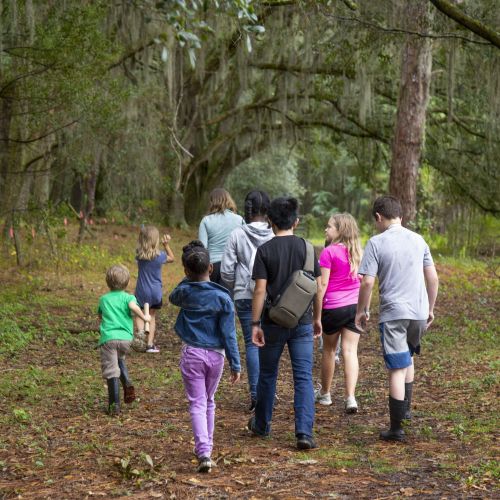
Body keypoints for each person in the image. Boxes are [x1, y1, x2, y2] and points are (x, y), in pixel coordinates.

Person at [355, 196, 439, 442]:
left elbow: (368, 281)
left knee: (396, 368)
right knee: (408, 356)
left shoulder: (376, 242)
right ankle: (406, 411)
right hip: (419, 312)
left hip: (394, 313)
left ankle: (396, 428)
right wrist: (430, 308)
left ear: (379, 217)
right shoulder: (419, 239)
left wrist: (362, 310)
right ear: (400, 216)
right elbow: (432, 278)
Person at [247, 197, 322, 450]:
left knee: (268, 374)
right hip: (301, 322)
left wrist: (255, 324)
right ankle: (304, 433)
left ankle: (262, 425)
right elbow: (317, 289)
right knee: (303, 377)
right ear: (296, 221)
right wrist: (317, 318)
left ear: (270, 222)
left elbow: (259, 290)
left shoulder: (265, 251)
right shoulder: (308, 249)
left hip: (272, 321)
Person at [169, 240, 241, 473]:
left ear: (186, 271)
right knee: (209, 400)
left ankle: (204, 452)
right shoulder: (224, 298)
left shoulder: (185, 292)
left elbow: (172, 297)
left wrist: (187, 276)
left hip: (192, 354)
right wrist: (236, 363)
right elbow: (229, 333)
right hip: (217, 357)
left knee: (197, 403)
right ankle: (207, 447)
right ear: (211, 268)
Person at [221, 190, 274, 411]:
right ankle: (268, 392)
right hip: (270, 295)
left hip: (244, 295)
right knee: (269, 344)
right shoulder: (274, 234)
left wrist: (236, 287)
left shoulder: (237, 234)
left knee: (252, 344)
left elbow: (226, 271)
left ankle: (255, 395)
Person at [315, 213, 363, 413]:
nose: (326, 230)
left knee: (329, 351)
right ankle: (350, 398)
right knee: (350, 352)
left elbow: (322, 285)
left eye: (329, 227)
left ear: (340, 230)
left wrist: (316, 316)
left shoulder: (328, 252)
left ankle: (325, 394)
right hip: (354, 308)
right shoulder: (359, 252)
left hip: (332, 308)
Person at [97, 264, 151, 415]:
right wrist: (145, 317)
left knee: (111, 370)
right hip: (126, 339)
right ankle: (126, 381)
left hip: (108, 339)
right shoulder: (129, 297)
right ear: (127, 283)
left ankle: (114, 405)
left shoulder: (103, 299)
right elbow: (133, 307)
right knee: (119, 359)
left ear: (108, 282)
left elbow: (100, 316)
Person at [134, 225, 175, 353]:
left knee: (139, 313)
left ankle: (140, 333)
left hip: (141, 290)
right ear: (156, 240)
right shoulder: (160, 256)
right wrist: (166, 245)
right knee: (151, 316)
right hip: (155, 292)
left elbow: (140, 250)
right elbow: (172, 258)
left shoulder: (139, 256)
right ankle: (150, 345)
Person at [198, 188, 244, 285]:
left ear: (212, 202)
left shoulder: (206, 220)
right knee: (231, 298)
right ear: (228, 200)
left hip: (212, 267)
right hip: (233, 265)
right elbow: (243, 245)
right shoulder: (239, 220)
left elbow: (202, 248)